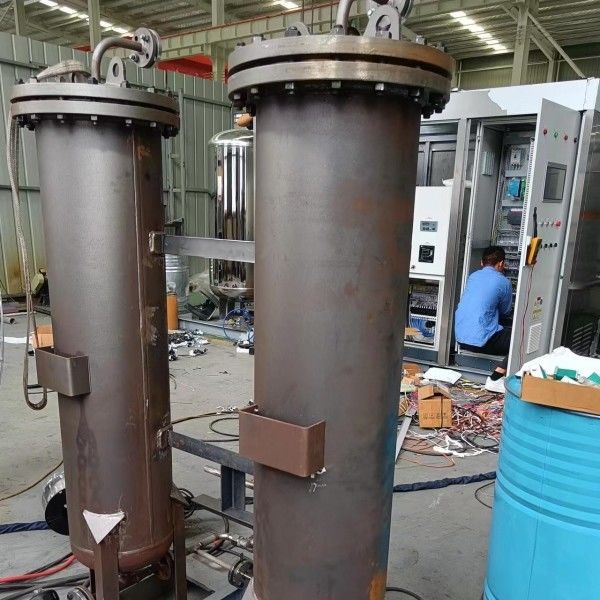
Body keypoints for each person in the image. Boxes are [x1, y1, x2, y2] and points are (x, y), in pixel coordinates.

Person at [455, 246, 513, 393]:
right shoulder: (504, 282)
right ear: (501, 264)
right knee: (521, 339)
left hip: (460, 339)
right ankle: (496, 378)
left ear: (482, 262)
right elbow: (506, 312)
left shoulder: (472, 276)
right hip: (483, 342)